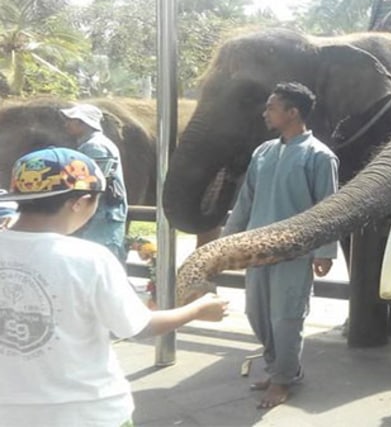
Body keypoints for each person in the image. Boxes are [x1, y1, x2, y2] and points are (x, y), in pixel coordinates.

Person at [0, 147, 229, 426]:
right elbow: (139, 327)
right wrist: (197, 310)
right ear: (79, 202)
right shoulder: (88, 259)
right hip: (88, 412)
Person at [221, 82, 339, 409]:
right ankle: (279, 369)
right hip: (258, 251)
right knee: (256, 313)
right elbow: (245, 202)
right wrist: (227, 242)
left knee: (286, 316)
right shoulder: (263, 152)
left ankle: (283, 379)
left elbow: (329, 208)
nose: (265, 113)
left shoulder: (319, 156)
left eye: (272, 107)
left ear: (293, 112)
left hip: (294, 253)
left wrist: (325, 252)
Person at [61, 103, 130, 264]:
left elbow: (91, 184)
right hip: (99, 217)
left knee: (99, 264)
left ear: (82, 123)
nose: (67, 124)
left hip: (100, 217)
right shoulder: (94, 143)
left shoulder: (94, 146)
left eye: (71, 120)